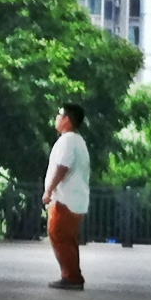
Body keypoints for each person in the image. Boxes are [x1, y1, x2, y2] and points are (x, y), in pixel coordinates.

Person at [43, 103, 90, 289]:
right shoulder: (77, 140)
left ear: (67, 120)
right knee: (67, 239)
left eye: (59, 114)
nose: (56, 118)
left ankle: (72, 277)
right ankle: (71, 274)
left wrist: (49, 190)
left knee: (60, 236)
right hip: (75, 198)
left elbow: (63, 166)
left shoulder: (68, 140)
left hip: (65, 198)